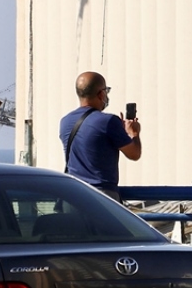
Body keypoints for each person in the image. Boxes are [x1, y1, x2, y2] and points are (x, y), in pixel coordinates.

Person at [59, 71, 142, 200]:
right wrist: (134, 133)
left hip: (73, 193)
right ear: (101, 94)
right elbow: (134, 153)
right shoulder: (108, 121)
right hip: (101, 195)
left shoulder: (65, 122)